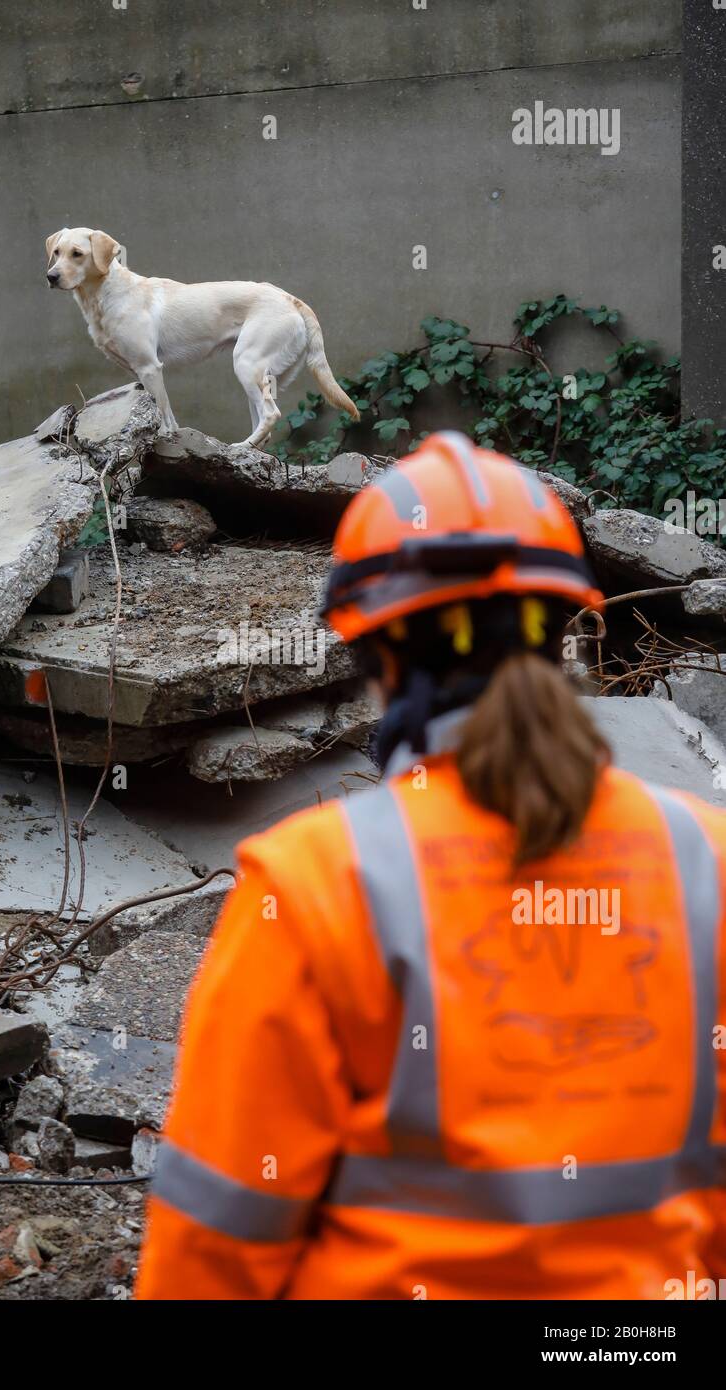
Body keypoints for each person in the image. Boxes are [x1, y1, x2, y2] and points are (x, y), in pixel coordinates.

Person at [136, 431, 726, 1300]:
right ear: (566, 629)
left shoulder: (317, 883)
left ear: (374, 656)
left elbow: (215, 1248)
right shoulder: (703, 861)